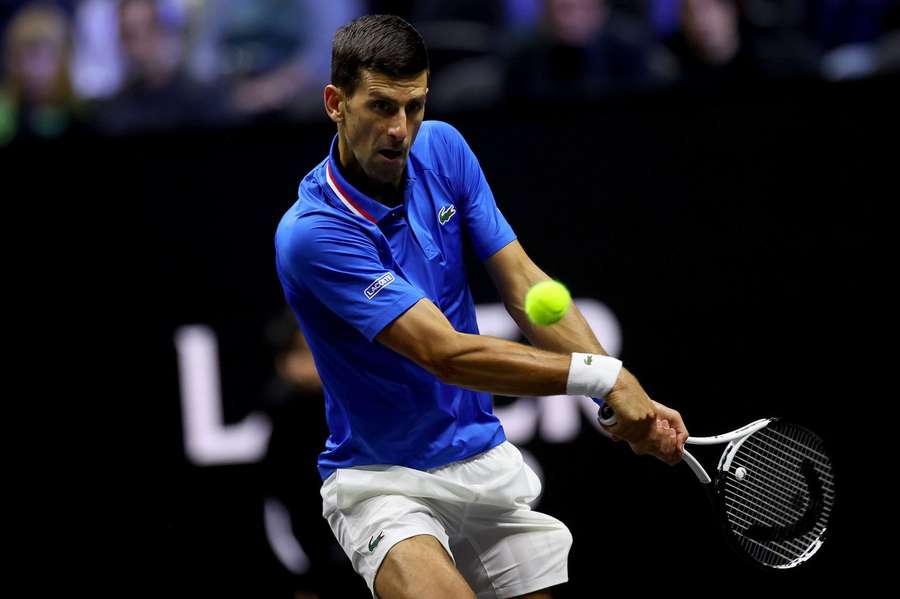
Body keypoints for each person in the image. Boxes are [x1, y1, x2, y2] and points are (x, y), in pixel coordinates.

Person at [274, 14, 688, 599]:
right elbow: (444, 354)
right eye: (381, 107)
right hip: (384, 483)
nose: (401, 129)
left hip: (482, 458)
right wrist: (607, 374)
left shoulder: (444, 149)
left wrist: (618, 393)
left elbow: (522, 282)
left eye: (414, 106)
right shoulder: (313, 233)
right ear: (335, 103)